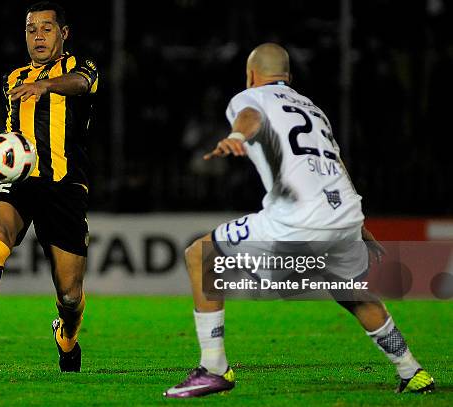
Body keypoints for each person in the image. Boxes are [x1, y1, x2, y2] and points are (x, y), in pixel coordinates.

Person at [164, 43, 434, 398]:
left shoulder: (250, 97)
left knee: (200, 256)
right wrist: (359, 226)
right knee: (350, 291)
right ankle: (412, 372)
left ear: (251, 75)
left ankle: (213, 369)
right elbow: (335, 165)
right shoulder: (314, 110)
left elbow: (251, 116)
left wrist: (235, 136)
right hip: (344, 213)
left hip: (297, 221)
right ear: (289, 78)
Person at [0, 1, 98, 373]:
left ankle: (66, 336)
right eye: (32, 29)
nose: (38, 36)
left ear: (63, 33)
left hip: (64, 186)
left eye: (47, 29)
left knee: (69, 296)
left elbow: (81, 84)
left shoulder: (82, 68)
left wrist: (44, 85)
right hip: (17, 178)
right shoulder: (12, 79)